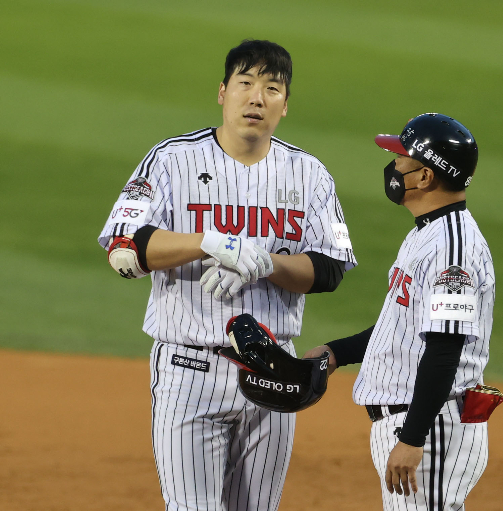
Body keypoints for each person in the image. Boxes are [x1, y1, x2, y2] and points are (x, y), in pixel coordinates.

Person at [97, 39, 356, 511]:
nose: (256, 98)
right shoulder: (172, 160)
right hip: (188, 368)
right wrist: (210, 242)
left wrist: (269, 263)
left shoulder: (309, 173)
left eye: (271, 88)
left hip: (276, 369)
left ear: (285, 105)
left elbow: (330, 268)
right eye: (245, 84)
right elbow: (123, 250)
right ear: (222, 92)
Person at [305, 113, 495, 510]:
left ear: (425, 177)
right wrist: (337, 351)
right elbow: (404, 327)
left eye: (400, 159)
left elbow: (445, 349)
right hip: (417, 421)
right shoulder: (427, 232)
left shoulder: (452, 252)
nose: (392, 167)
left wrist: (412, 438)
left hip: (429, 426)